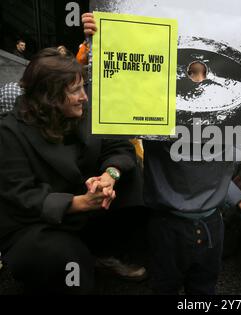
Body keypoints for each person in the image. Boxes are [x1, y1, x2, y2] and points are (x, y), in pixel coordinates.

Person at [82, 12, 241, 295]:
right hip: (166, 225)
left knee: (204, 290)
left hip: (212, 225)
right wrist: (99, 42)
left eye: (207, 73)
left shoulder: (237, 119)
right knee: (166, 288)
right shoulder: (155, 111)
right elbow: (113, 94)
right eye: (189, 72)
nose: (198, 82)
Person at [0, 48, 145, 294]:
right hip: (35, 223)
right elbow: (22, 196)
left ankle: (104, 253)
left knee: (133, 180)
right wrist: (79, 203)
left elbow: (119, 146)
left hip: (82, 201)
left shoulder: (85, 112)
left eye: (82, 87)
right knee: (69, 262)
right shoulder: (9, 132)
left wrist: (109, 176)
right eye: (75, 90)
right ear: (50, 97)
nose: (84, 97)